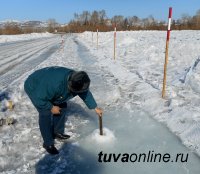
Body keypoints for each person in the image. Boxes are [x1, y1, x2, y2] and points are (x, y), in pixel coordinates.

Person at [24, 66, 103, 155]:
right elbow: (39, 98)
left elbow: (84, 93)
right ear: (69, 83)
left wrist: (95, 107)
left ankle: (57, 132)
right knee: (45, 113)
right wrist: (51, 107)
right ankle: (48, 143)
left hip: (51, 87)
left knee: (62, 107)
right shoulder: (54, 84)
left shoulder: (79, 80)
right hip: (35, 87)